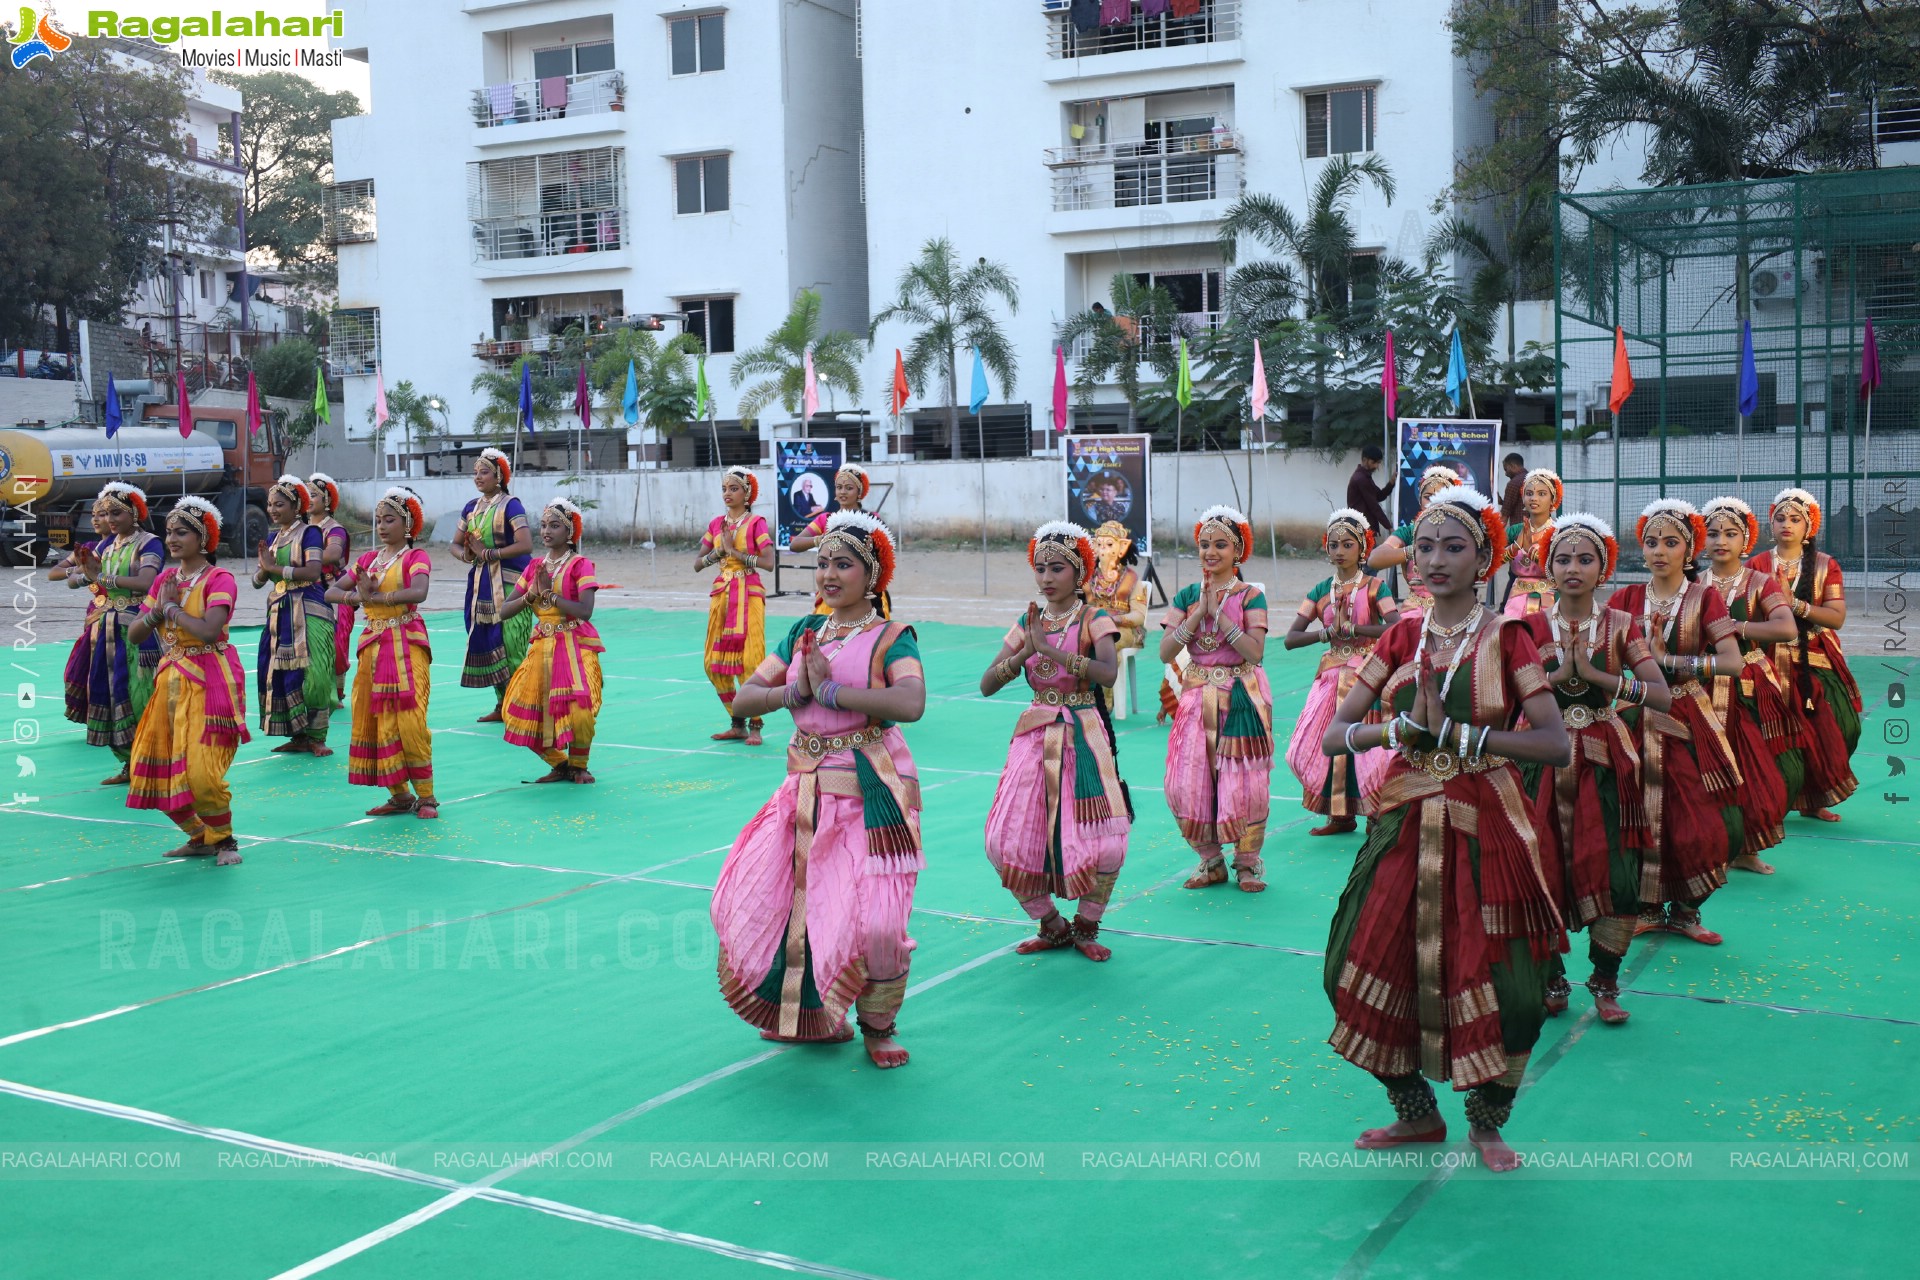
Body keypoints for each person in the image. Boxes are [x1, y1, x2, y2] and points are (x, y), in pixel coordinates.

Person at [1319, 485, 1570, 1171]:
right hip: (1404, 824)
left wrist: (1462, 735)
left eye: (1452, 547)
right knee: (1353, 970)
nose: (1432, 560)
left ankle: (1488, 1124)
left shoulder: (1510, 636)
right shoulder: (1403, 634)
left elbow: (1555, 744)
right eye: (1423, 547)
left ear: (1486, 559)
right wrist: (1399, 728)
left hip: (1487, 826)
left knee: (1512, 991)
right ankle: (1416, 1115)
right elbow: (1336, 737)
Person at [711, 512, 924, 1068]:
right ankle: (815, 1019)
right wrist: (793, 690)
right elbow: (744, 700)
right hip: (804, 793)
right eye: (823, 562)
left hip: (869, 794)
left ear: (873, 575)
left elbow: (910, 704)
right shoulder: (803, 632)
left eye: (844, 564)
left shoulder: (891, 637)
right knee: (792, 913)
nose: (829, 574)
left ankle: (878, 1026)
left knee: (877, 921)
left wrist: (831, 691)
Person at [1519, 515, 1669, 1024]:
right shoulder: (1530, 627)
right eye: (1563, 559)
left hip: (1606, 761)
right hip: (1542, 756)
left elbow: (1661, 695)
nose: (1573, 568)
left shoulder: (1622, 626)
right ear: (1547, 568)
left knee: (1615, 870)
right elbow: (1509, 694)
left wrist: (1600, 676)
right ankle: (1552, 975)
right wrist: (1559, 676)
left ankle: (1605, 981)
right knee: (1540, 869)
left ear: (1603, 569)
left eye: (1585, 559)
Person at [981, 522, 1130, 960]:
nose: (1046, 578)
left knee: (1104, 840)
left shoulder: (1093, 618)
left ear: (1079, 572)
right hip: (1034, 736)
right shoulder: (1028, 623)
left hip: (1083, 732)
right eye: (1040, 568)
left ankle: (1086, 925)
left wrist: (1053, 652)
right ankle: (1052, 924)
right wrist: (1028, 650)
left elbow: (1108, 674)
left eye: (1057, 569)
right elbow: (988, 683)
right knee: (1005, 841)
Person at [1609, 499, 1743, 946]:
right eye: (1651, 543)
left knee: (1696, 817)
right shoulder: (1625, 599)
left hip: (1687, 715)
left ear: (1690, 551)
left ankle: (1687, 911)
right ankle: (1646, 907)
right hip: (1633, 715)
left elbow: (1732, 662)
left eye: (1671, 543)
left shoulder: (1704, 597)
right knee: (1638, 813)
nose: (1659, 551)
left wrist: (1671, 660)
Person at [125, 497, 249, 866]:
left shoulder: (219, 578)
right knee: (154, 767)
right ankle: (200, 837)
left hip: (211, 680)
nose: (172, 539)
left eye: (182, 532)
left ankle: (225, 840)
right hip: (170, 681)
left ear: (203, 538)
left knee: (200, 772)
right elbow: (134, 633)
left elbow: (210, 632)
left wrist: (171, 610)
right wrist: (158, 612)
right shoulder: (165, 579)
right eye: (169, 532)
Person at [1160, 505, 1273, 893]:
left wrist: (1221, 616)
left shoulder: (1251, 597)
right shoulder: (1187, 595)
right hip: (1196, 699)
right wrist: (1198, 613)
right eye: (1205, 544)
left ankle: (1246, 864)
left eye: (1221, 545)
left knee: (1244, 785)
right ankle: (1211, 861)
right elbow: (1164, 651)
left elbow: (1254, 653)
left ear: (1238, 551)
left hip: (1240, 697)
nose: (1211, 552)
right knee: (1186, 782)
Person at [1703, 496, 1802, 873]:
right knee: (1708, 766)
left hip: (1748, 685)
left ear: (1746, 540)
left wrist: (1734, 627)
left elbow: (1786, 627)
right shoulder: (1695, 583)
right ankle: (1716, 846)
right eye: (1713, 534)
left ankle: (1746, 849)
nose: (1720, 541)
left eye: (1730, 534)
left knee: (1750, 766)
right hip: (1705, 682)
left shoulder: (1760, 582)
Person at [1747, 487, 1859, 822]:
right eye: (1780, 518)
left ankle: (1813, 797)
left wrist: (1793, 603)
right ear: (1771, 523)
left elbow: (1836, 617)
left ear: (1808, 526)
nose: (1787, 524)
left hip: (1816, 659)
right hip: (1770, 659)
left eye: (1795, 519)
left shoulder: (1826, 566)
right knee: (1777, 735)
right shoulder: (1756, 565)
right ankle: (1777, 801)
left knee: (1840, 727)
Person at [1285, 508, 1398, 835]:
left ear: (1363, 548)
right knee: (1318, 744)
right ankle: (1340, 815)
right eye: (1333, 545)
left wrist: (1357, 628)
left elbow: (1396, 628)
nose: (1339, 551)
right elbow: (1291, 639)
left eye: (1347, 545)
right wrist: (1326, 634)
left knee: (1370, 749)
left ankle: (1376, 813)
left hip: (1367, 676)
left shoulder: (1377, 588)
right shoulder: (1320, 590)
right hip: (1331, 677)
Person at [330, 486, 438, 820]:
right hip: (373, 648)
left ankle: (427, 796)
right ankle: (400, 795)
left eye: (389, 519)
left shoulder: (415, 557)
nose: (381, 526)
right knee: (376, 720)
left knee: (410, 721)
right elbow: (333, 591)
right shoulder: (366, 561)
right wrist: (358, 598)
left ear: (407, 524)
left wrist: (376, 598)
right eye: (378, 520)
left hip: (406, 643)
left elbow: (418, 592)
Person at [58, 483, 162, 785]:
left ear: (134, 513)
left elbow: (145, 582)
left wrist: (99, 577)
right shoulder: (107, 545)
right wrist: (83, 576)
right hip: (107, 627)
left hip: (139, 630)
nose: (110, 519)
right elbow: (72, 579)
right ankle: (129, 762)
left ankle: (154, 763)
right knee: (111, 692)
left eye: (116, 512)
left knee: (140, 695)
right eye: (106, 513)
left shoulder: (149, 542)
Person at [501, 498, 603, 784]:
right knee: (517, 712)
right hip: (542, 647)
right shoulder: (534, 566)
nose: (546, 531)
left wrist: (551, 596)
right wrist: (532, 595)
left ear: (570, 532)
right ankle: (561, 764)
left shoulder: (580, 565)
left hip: (574, 644)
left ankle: (580, 766)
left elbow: (585, 610)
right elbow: (505, 610)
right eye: (544, 525)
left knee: (580, 710)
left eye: (555, 526)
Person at [251, 474, 337, 757]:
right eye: (270, 504)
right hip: (279, 610)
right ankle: (298, 736)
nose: (273, 510)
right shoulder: (273, 538)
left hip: (309, 608)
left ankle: (317, 735)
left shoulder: (310, 532)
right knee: (279, 673)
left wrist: (274, 569)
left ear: (296, 505)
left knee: (313, 675)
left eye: (279, 504)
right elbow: (256, 581)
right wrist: (265, 568)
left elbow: (313, 572)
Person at [450, 447, 534, 723]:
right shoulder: (470, 508)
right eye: (475, 473)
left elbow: (525, 544)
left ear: (499, 475)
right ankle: (503, 705)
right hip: (480, 586)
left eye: (484, 472)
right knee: (488, 641)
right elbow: (454, 544)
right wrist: (467, 555)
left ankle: (525, 706)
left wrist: (488, 554)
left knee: (511, 644)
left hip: (511, 585)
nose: (478, 477)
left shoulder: (511, 505)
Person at [698, 465, 776, 744]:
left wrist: (735, 552)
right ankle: (737, 720)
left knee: (750, 661)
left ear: (748, 494)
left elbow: (768, 563)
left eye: (734, 488)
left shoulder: (757, 523)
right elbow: (698, 563)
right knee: (712, 664)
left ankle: (755, 725)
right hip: (722, 595)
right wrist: (720, 551)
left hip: (749, 594)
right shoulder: (716, 524)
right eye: (724, 489)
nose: (727, 493)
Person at [1367, 464, 1465, 621]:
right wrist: (1418, 549)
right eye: (1428, 497)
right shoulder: (1409, 532)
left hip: (1455, 608)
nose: (1434, 502)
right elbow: (1374, 559)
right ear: (1420, 500)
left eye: (1442, 496)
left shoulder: (1463, 532)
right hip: (1416, 609)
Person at [791, 463, 891, 617]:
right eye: (839, 487)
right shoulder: (825, 519)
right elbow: (795, 544)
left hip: (863, 589)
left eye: (849, 488)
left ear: (860, 492)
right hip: (832, 587)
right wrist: (821, 539)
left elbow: (885, 557)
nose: (842, 492)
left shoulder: (871, 520)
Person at [307, 471, 353, 703]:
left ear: (327, 500)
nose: (308, 498)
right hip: (304, 591)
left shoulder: (335, 529)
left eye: (313, 494)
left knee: (334, 642)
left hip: (331, 592)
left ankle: (335, 692)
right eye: (305, 494)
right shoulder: (301, 529)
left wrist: (299, 557)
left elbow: (334, 553)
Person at [1502, 468, 1562, 618]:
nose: (1534, 498)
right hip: (1516, 599)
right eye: (1529, 494)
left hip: (1551, 597)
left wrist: (1536, 555)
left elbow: (1564, 567)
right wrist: (1515, 547)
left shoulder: (1559, 532)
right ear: (1523, 499)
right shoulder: (1515, 531)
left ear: (1553, 500)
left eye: (1541, 494)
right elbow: (1493, 560)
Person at [1086, 520, 1148, 653]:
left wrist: (1115, 620)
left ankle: (1106, 671)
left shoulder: (1131, 578)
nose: (1103, 549)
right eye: (1099, 544)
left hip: (1123, 629)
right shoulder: (1088, 576)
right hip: (1092, 624)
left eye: (1109, 544)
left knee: (1106, 645)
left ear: (1122, 547)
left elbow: (1139, 615)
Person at [1345, 444, 1395, 539]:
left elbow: (1379, 496)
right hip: (1361, 528)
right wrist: (1389, 527)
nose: (1376, 466)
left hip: (1363, 528)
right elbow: (1374, 506)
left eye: (1378, 463)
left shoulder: (1365, 477)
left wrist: (1391, 482)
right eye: (1374, 462)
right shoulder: (1361, 479)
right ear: (1365, 460)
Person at [1498, 452, 1526, 524]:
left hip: (1519, 530)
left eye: (1506, 469)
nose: (1505, 474)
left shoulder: (1514, 483)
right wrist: (1502, 502)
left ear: (1512, 466)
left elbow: (1504, 515)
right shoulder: (1533, 478)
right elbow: (1520, 504)